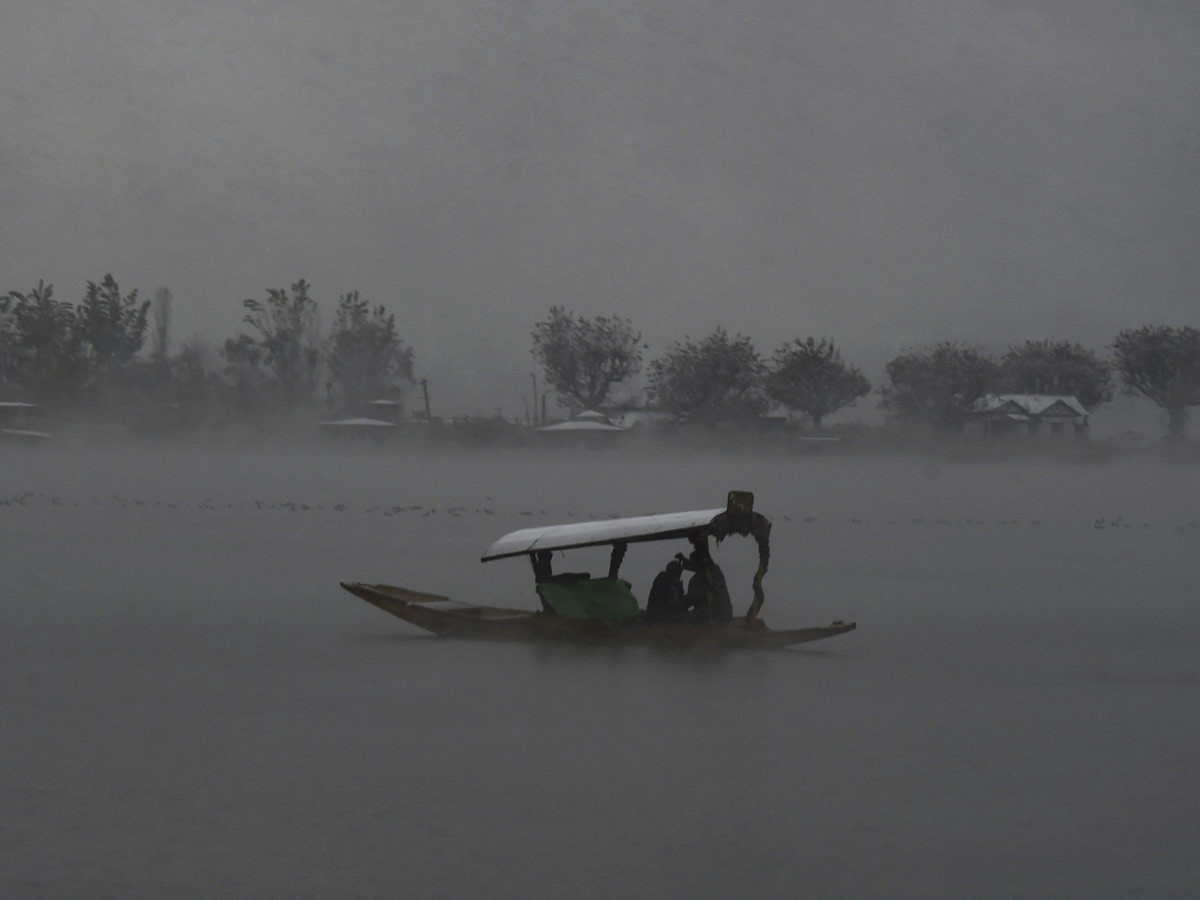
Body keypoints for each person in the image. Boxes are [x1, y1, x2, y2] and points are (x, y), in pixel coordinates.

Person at [679, 541, 733, 624]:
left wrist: (676, 604)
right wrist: (684, 560)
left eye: (694, 561)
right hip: (723, 612)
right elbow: (700, 565)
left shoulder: (701, 578)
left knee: (679, 619)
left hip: (714, 614)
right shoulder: (713, 570)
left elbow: (690, 599)